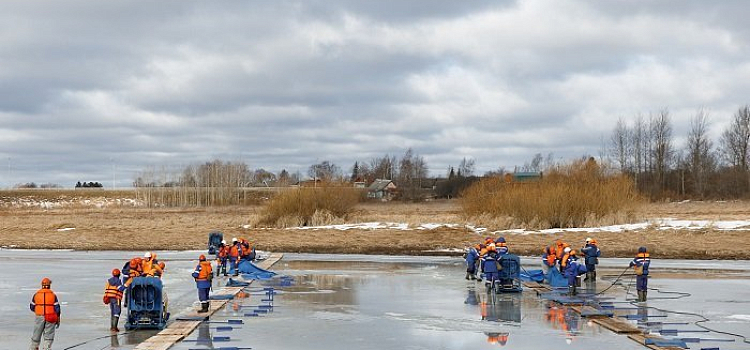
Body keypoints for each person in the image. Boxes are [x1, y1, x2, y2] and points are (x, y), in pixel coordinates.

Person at [29, 278, 60, 350]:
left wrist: (39, 310)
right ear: (49, 285)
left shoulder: (36, 295)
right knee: (49, 334)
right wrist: (58, 318)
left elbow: (32, 307)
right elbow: (57, 308)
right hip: (51, 316)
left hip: (39, 316)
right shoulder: (53, 295)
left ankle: (34, 347)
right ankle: (46, 348)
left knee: (37, 332)